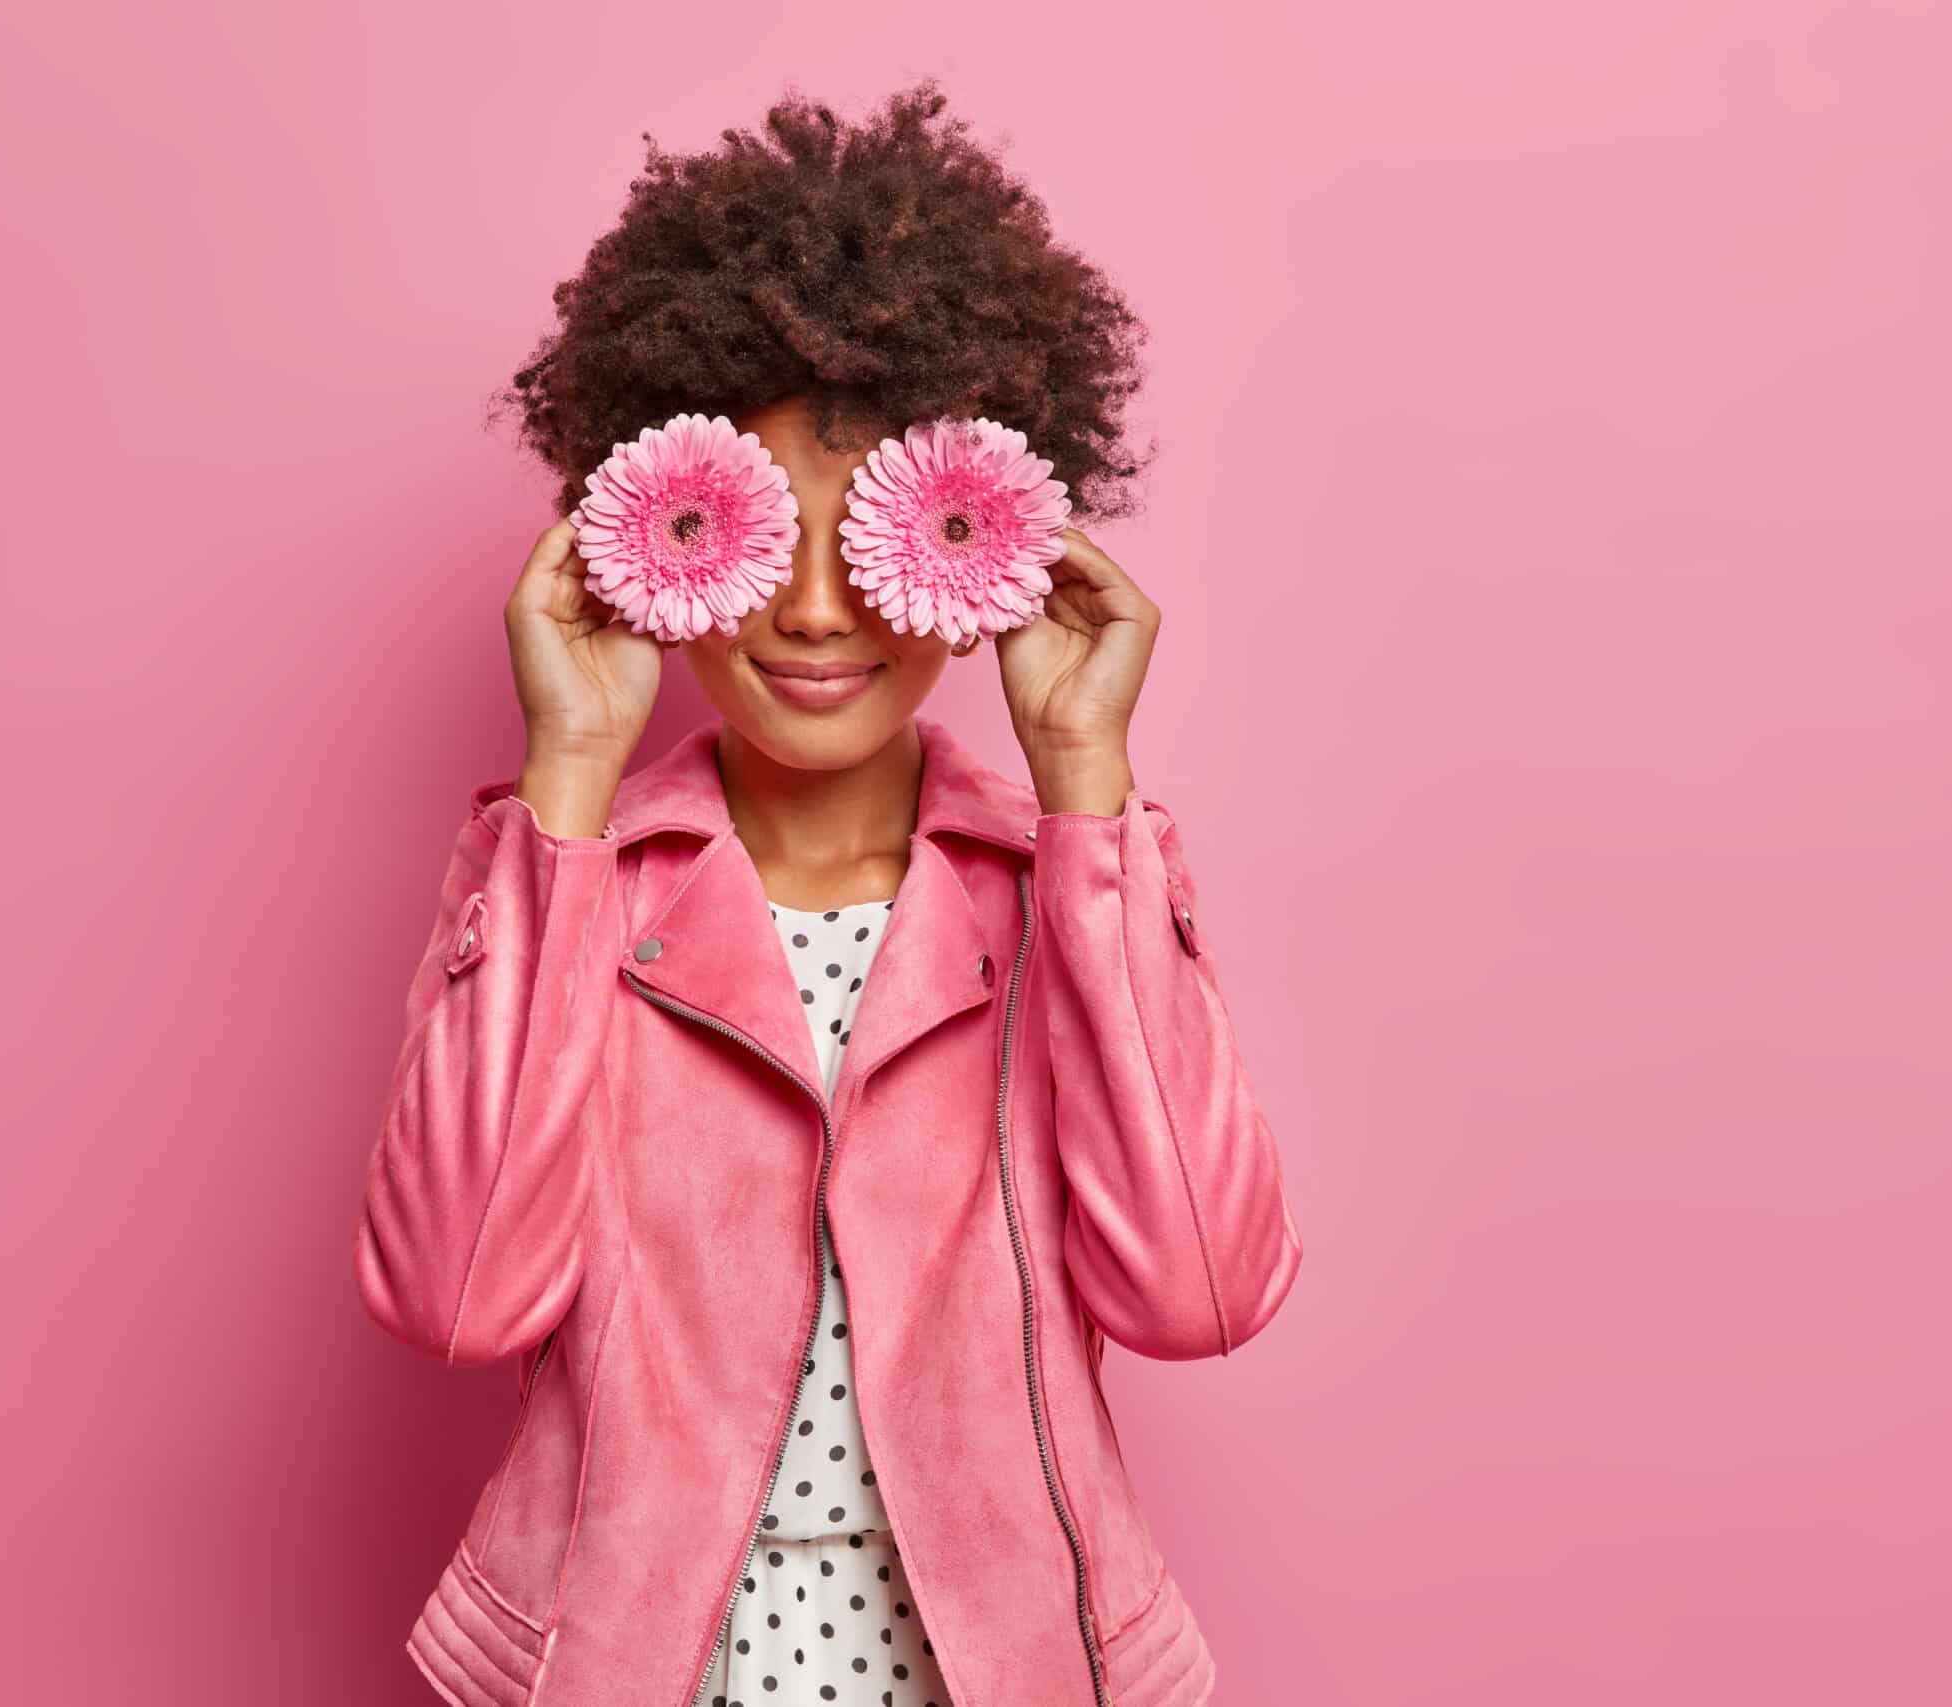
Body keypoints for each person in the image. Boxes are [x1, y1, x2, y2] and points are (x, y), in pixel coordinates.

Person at [357, 83, 1303, 1707]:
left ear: (997, 542)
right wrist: (567, 776)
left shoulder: (1050, 883)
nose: (811, 610)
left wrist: (1087, 785)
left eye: (880, 538)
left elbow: (1196, 1288)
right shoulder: (583, 872)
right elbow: (458, 1296)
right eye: (760, 533)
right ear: (654, 526)